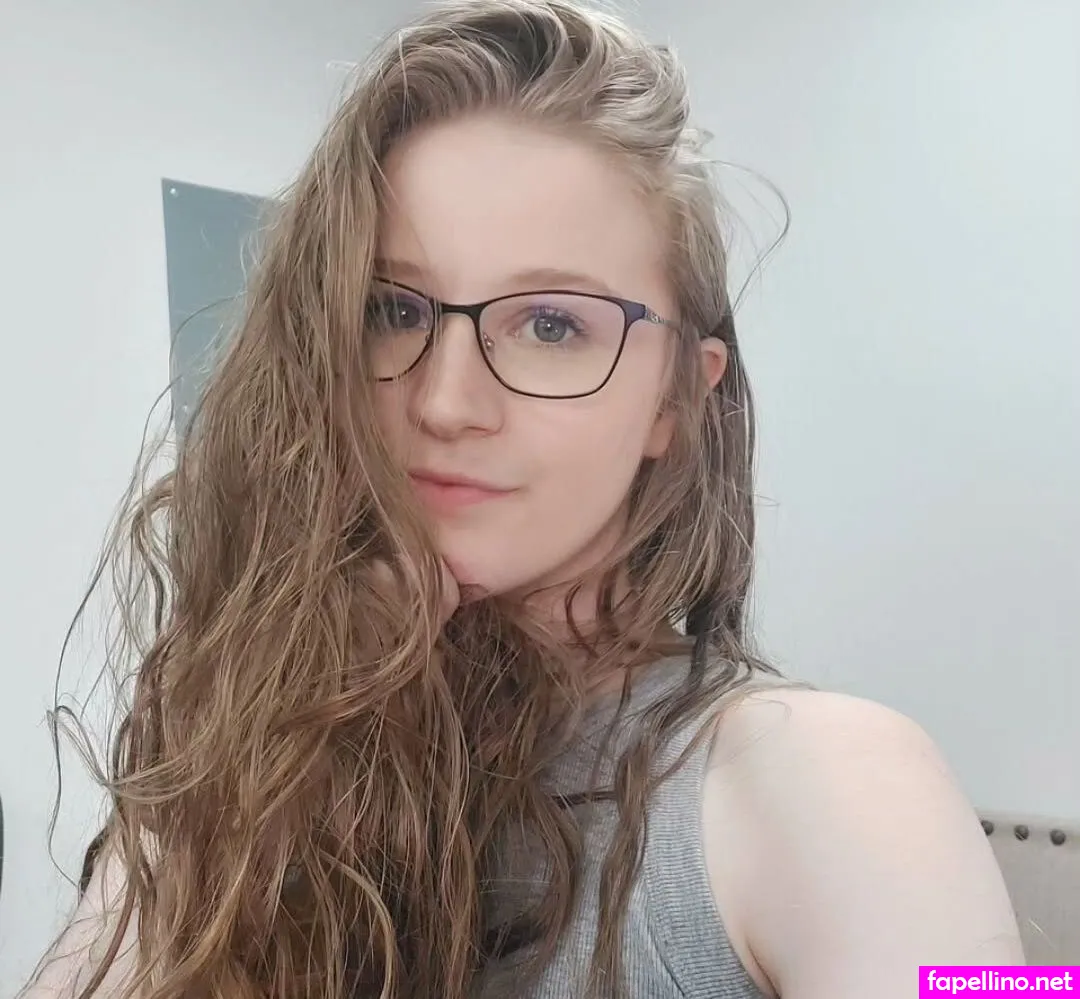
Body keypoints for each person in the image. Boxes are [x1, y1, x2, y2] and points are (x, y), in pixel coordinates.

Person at [20, 1, 1023, 997]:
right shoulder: (260, 727)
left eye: (551, 325)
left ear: (677, 396)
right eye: (393, 309)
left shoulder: (830, 781)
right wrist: (235, 750)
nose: (445, 402)